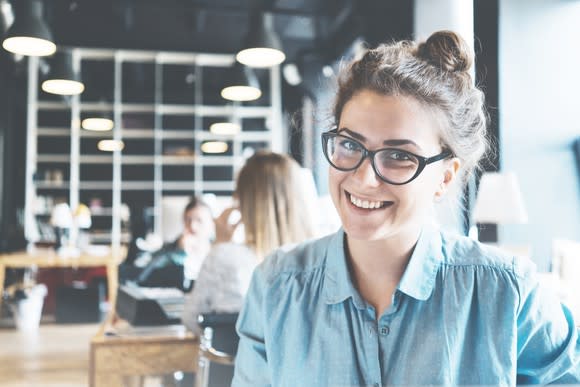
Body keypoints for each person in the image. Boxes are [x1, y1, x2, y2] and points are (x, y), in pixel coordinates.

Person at [232, 31, 580, 386]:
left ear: (445, 177)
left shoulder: (507, 292)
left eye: (399, 156)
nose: (364, 178)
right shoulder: (277, 287)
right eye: (350, 145)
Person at [181, 150, 316, 334]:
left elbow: (191, 319)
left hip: (236, 362)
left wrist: (221, 243)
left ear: (245, 202)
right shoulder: (316, 260)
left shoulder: (225, 256)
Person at [135, 196, 214, 291]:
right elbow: (144, 277)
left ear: (211, 224)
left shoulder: (219, 251)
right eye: (188, 220)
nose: (192, 226)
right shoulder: (170, 250)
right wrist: (180, 253)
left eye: (199, 220)